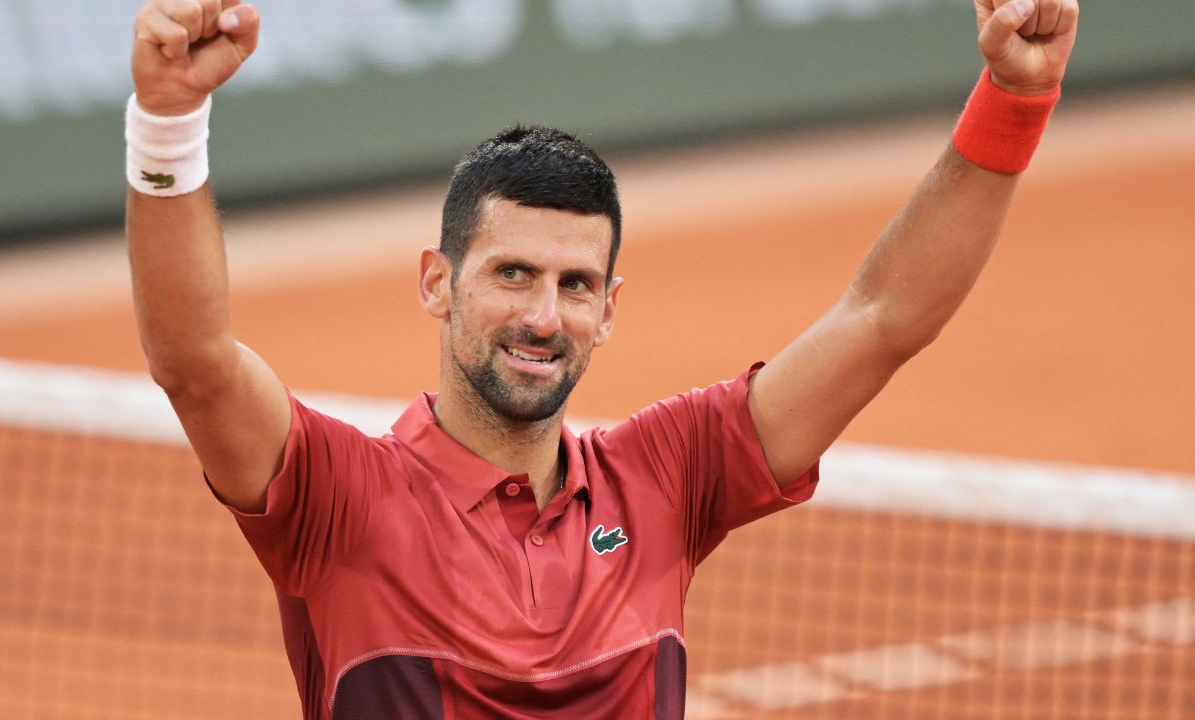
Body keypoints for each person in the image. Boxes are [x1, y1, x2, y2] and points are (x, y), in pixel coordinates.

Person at [125, 0, 1079, 717]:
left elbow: (884, 317)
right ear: (436, 283)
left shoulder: (667, 476)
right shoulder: (342, 498)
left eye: (575, 285)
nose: (543, 316)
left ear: (609, 309)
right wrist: (168, 120)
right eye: (512, 273)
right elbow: (195, 362)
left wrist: (1018, 94)